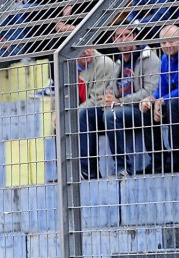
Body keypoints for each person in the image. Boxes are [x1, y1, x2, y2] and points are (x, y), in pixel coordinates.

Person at [101, 25, 161, 177]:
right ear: (113, 40)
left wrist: (120, 101)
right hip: (122, 109)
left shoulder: (149, 58)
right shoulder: (119, 62)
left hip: (142, 110)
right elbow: (111, 88)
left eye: (128, 35)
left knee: (111, 115)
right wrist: (107, 97)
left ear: (135, 35)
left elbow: (150, 90)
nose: (124, 40)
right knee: (85, 115)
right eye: (119, 36)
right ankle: (87, 171)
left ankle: (122, 168)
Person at [140, 24, 179, 173]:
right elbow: (161, 89)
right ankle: (158, 160)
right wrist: (150, 99)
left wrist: (163, 100)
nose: (167, 45)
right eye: (163, 42)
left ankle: (176, 157)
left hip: (175, 103)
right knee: (147, 108)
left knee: (173, 104)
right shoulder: (165, 59)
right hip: (172, 101)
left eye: (172, 40)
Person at [77, 48, 121, 179]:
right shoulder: (68, 65)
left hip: (106, 109)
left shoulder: (103, 63)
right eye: (81, 49)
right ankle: (65, 173)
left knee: (83, 115)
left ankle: (88, 171)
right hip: (89, 108)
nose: (86, 51)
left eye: (88, 47)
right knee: (60, 123)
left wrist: (71, 112)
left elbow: (98, 99)